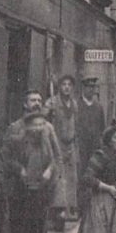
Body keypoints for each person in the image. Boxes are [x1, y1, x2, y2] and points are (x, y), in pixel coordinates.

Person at [3, 110, 56, 233]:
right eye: (35, 124)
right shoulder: (17, 142)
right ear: (28, 126)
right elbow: (6, 160)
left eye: (42, 124)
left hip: (38, 194)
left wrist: (49, 169)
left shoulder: (45, 142)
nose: (39, 128)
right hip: (21, 195)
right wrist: (19, 169)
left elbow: (52, 160)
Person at [5, 89, 67, 232]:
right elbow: (6, 157)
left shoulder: (48, 127)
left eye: (39, 100)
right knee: (20, 222)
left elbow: (57, 156)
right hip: (20, 185)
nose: (37, 104)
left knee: (38, 221)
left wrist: (50, 171)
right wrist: (19, 169)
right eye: (33, 100)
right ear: (25, 104)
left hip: (42, 184)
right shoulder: (15, 127)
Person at [46, 75, 79, 221]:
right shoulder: (52, 102)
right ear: (59, 87)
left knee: (71, 178)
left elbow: (76, 125)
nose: (66, 87)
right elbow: (42, 119)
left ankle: (69, 208)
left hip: (70, 145)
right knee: (58, 178)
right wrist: (49, 110)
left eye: (69, 85)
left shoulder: (74, 104)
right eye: (64, 84)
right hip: (56, 143)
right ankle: (57, 210)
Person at [76, 76, 106, 179]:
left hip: (94, 147)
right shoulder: (76, 105)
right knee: (80, 173)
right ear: (83, 88)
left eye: (93, 87)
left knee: (93, 173)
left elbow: (102, 128)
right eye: (88, 87)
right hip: (80, 147)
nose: (91, 89)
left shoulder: (98, 107)